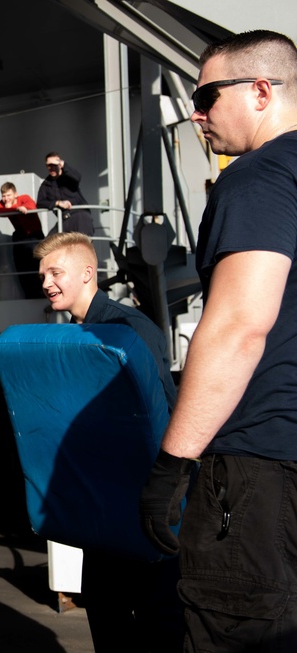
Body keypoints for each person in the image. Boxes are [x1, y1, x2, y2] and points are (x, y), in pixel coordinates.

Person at [139, 30, 297, 651]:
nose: (196, 113)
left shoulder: (257, 178)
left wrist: (172, 465)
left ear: (261, 91)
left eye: (207, 94)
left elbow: (238, 324)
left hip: (257, 468)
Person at [36, 232, 182, 653]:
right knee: (106, 613)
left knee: (158, 618)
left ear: (87, 273)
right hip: (102, 500)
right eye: (43, 274)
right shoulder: (77, 333)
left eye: (56, 272)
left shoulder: (127, 329)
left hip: (141, 499)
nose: (46, 282)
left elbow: (163, 410)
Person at [0, 182, 44, 299]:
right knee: (21, 265)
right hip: (20, 236)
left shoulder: (24, 198)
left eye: (9, 195)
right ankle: (29, 295)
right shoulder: (4, 203)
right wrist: (16, 209)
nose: (6, 199)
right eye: (4, 196)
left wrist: (20, 208)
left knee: (36, 264)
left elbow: (31, 207)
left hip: (34, 235)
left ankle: (41, 293)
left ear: (15, 194)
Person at [36, 152, 94, 236]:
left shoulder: (69, 177)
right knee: (48, 245)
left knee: (83, 244)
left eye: (54, 165)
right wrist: (57, 203)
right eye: (49, 165)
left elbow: (77, 177)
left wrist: (64, 165)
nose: (51, 168)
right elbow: (40, 203)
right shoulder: (46, 185)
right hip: (64, 220)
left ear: (60, 164)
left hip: (80, 216)